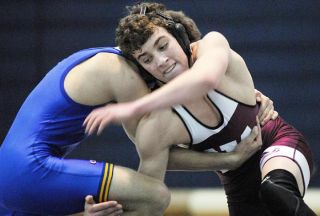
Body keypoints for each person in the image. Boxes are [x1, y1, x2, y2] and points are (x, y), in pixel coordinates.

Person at [84, 2, 316, 216]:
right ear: (143, 70)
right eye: (146, 59)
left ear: (180, 36)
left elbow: (205, 80)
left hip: (278, 143)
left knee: (276, 191)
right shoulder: (159, 122)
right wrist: (107, 212)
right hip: (237, 183)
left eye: (163, 46)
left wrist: (133, 107)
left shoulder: (212, 44)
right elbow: (148, 197)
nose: (161, 61)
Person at [0, 43, 273, 215]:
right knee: (153, 196)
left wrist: (243, 99)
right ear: (139, 59)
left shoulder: (106, 59)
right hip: (32, 168)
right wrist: (229, 158)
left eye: (164, 49)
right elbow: (154, 149)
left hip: (15, 174)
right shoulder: (123, 73)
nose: (163, 63)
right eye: (151, 56)